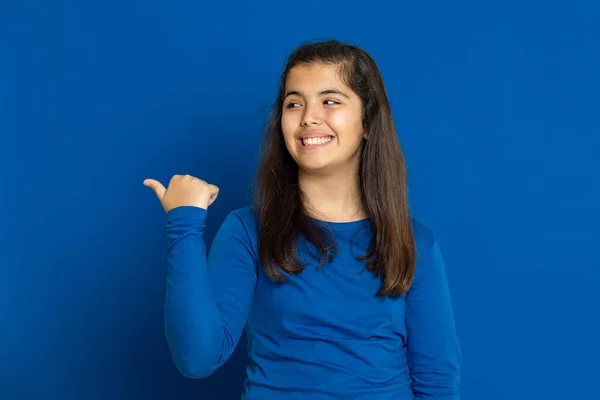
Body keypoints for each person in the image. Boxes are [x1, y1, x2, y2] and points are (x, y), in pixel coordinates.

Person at [144, 39, 461, 399]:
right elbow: (197, 358)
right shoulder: (248, 232)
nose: (308, 117)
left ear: (368, 122)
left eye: (330, 101)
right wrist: (184, 225)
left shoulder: (413, 241)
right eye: (294, 103)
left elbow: (436, 381)